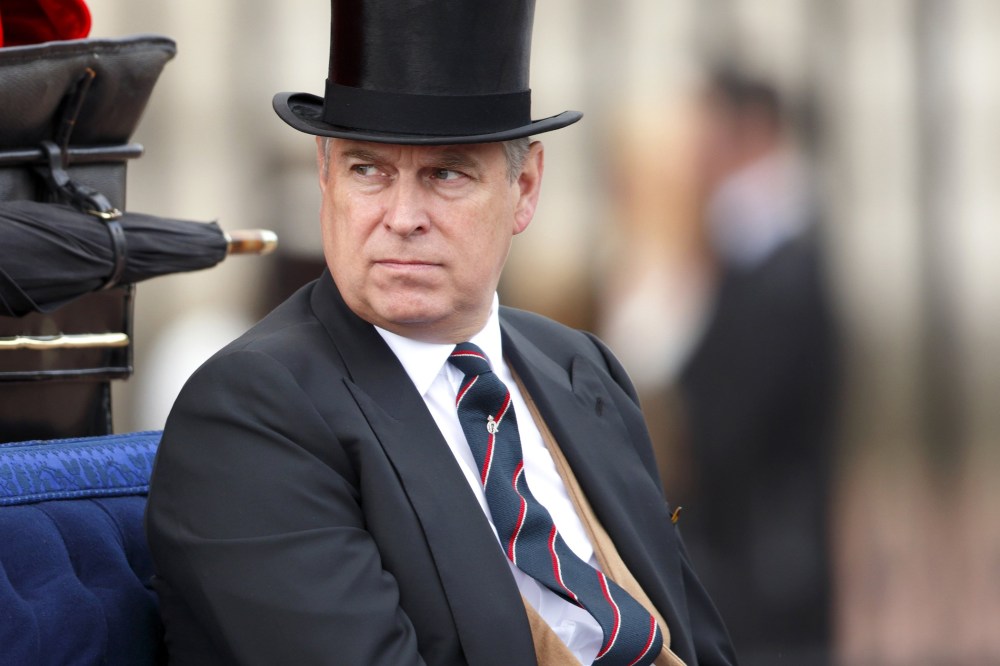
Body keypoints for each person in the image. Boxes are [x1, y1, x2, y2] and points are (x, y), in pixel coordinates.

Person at [145, 2, 737, 664]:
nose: (402, 217)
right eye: (367, 169)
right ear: (324, 172)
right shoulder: (251, 413)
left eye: (446, 174)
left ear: (526, 186)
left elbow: (700, 638)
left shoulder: (581, 368)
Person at [676, 68, 839, 665]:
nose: (695, 153)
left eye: (708, 132)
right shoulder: (752, 245)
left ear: (750, 131)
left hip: (766, 565)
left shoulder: (774, 257)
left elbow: (727, 420)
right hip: (757, 555)